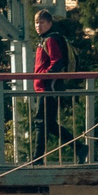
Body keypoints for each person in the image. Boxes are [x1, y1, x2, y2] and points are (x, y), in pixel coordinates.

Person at [30, 9, 70, 156]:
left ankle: (37, 158)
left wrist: (45, 76)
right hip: (44, 87)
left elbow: (58, 62)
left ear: (49, 23)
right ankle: (80, 148)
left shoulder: (51, 40)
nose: (38, 26)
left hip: (49, 88)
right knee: (49, 124)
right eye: (36, 23)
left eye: (42, 22)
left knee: (41, 122)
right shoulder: (44, 40)